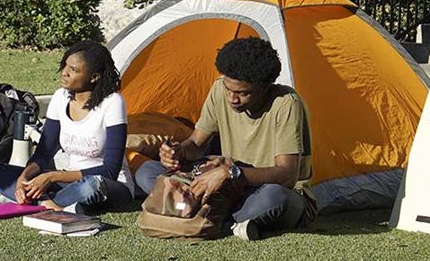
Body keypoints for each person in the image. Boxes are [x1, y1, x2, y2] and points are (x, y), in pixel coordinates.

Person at [134, 37, 314, 241]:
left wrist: (231, 173)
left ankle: (193, 212)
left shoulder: (286, 104)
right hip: (226, 190)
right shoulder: (220, 89)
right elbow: (195, 144)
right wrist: (177, 153)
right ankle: (226, 219)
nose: (232, 98)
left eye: (242, 93)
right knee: (147, 172)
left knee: (275, 198)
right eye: (229, 89)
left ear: (264, 87)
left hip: (261, 190)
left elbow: (287, 175)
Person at [0, 41, 134, 214]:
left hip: (108, 184)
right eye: (65, 66)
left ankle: (36, 201)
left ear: (94, 77)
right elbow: (44, 153)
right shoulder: (60, 97)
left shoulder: (112, 103)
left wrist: (51, 176)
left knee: (90, 186)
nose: (65, 73)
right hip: (67, 180)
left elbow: (110, 170)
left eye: (74, 70)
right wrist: (24, 178)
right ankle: (53, 203)